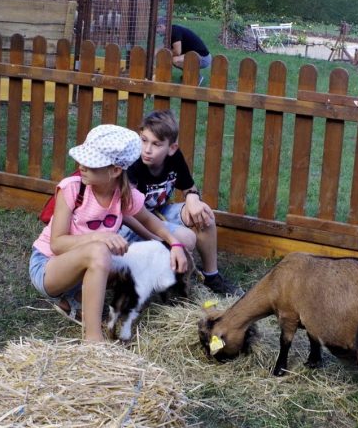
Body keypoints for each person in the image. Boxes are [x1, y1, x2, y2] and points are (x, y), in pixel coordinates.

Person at [29, 124, 188, 342]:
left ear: (114, 171)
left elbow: (152, 222)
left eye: (91, 162)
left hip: (89, 262)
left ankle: (77, 299)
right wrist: (98, 236)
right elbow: (57, 244)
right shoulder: (72, 189)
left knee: (126, 253)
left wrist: (175, 244)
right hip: (49, 267)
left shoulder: (124, 195)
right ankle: (93, 340)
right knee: (100, 251)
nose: (81, 166)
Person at [120, 109, 244, 296]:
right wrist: (158, 238)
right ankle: (166, 284)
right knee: (186, 239)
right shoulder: (133, 163)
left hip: (158, 212)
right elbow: (127, 212)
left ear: (171, 148)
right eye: (144, 140)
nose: (147, 149)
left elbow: (189, 187)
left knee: (204, 214)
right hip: (132, 223)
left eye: (156, 144)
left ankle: (212, 276)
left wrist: (193, 198)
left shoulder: (174, 159)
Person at [156, 18, 211, 85]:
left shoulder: (174, 32)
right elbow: (163, 47)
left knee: (175, 60)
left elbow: (177, 52)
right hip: (194, 55)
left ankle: (196, 77)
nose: (156, 32)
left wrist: (163, 54)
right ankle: (188, 74)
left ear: (161, 26)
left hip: (203, 58)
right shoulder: (170, 31)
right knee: (173, 58)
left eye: (156, 29)